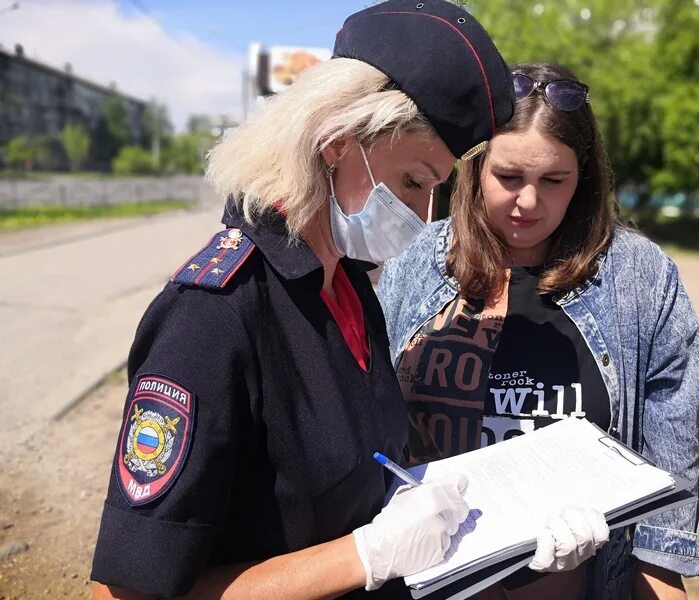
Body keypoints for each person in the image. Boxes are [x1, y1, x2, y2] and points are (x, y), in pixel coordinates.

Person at [89, 2, 517, 598]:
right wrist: (363, 556)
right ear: (338, 144)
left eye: (435, 192)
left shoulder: (346, 286)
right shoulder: (214, 315)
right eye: (414, 182)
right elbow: (126, 592)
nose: (423, 218)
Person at [377, 62, 699, 600]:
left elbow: (669, 472)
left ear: (584, 180)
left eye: (554, 180)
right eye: (508, 177)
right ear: (475, 167)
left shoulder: (639, 277)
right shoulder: (414, 260)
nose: (528, 202)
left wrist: (661, 574)